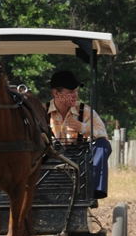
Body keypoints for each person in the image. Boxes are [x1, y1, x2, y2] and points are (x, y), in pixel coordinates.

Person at [47, 69, 112, 199]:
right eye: (71, 92)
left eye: (76, 91)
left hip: (79, 158)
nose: (75, 95)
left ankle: (93, 190)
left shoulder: (85, 111)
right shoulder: (42, 111)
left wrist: (82, 128)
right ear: (56, 93)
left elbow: (102, 133)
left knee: (103, 145)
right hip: (50, 158)